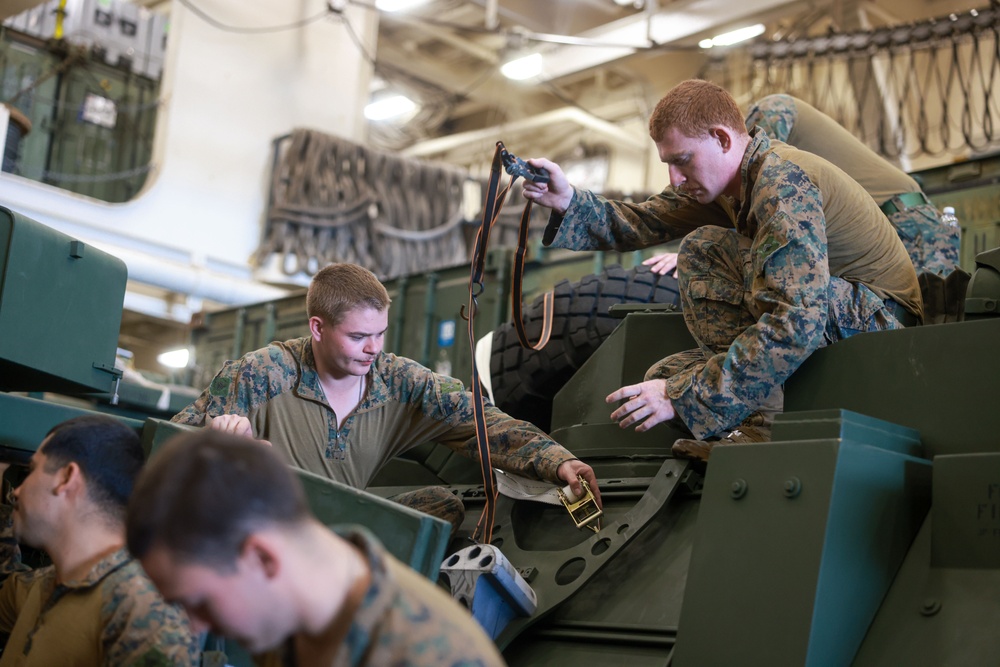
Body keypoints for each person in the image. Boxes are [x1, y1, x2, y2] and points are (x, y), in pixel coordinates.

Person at [521, 79, 922, 461]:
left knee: (702, 250)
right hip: (831, 312)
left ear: (723, 139)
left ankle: (761, 427)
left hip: (880, 322)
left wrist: (691, 398)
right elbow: (642, 221)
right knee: (666, 374)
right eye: (668, 164)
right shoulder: (728, 182)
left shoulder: (781, 183)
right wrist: (567, 199)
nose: (675, 179)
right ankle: (750, 417)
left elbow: (797, 319)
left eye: (682, 161)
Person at [173, 263, 601, 533]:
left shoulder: (397, 381)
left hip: (339, 534)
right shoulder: (261, 373)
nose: (373, 348)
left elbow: (481, 422)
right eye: (358, 336)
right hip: (262, 529)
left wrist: (555, 459)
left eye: (380, 333)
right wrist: (219, 447)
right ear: (318, 328)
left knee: (440, 506)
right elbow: (167, 448)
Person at [126, 429, 508, 667]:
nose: (193, 626)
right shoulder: (287, 615)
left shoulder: (435, 655)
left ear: (262, 558)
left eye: (199, 602)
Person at [643, 93, 961, 279]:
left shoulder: (771, 116)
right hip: (889, 220)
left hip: (904, 220)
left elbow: (754, 192)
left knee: (925, 329)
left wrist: (713, 253)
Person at [0, 414, 199, 665]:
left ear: (66, 479)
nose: (17, 490)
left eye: (32, 470)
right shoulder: (47, 585)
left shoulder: (145, 612)